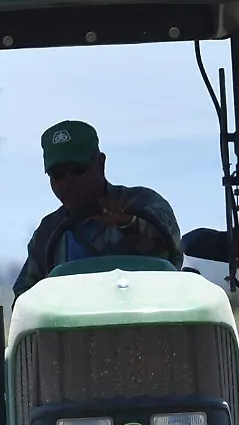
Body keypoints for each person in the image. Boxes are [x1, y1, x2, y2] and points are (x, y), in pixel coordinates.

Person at [13, 120, 182, 296]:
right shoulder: (48, 231)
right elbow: (25, 297)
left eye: (78, 170)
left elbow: (172, 247)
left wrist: (129, 223)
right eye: (58, 175)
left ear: (100, 164)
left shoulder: (142, 203)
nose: (68, 183)